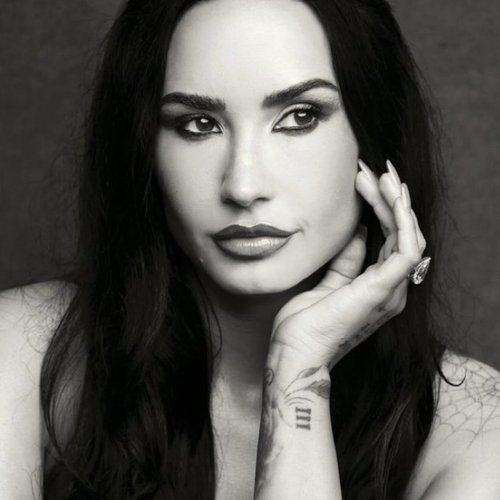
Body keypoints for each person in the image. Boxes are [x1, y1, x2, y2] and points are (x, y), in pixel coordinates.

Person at [1, 0, 499, 499]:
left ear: (375, 134)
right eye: (198, 124)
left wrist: (299, 371)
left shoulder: (480, 431)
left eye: (299, 117)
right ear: (142, 149)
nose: (243, 186)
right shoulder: (21, 352)